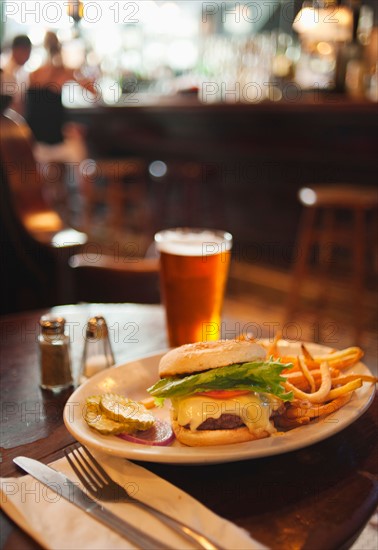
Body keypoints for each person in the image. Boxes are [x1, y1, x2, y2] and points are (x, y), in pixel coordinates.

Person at [25, 31, 97, 164]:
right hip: (54, 142)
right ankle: (83, 184)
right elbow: (94, 93)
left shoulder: (33, 74)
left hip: (33, 142)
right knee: (81, 147)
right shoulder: (64, 72)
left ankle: (57, 182)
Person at [1, 34, 32, 115]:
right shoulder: (3, 68)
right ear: (16, 50)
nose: (27, 57)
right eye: (26, 52)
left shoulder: (23, 72)